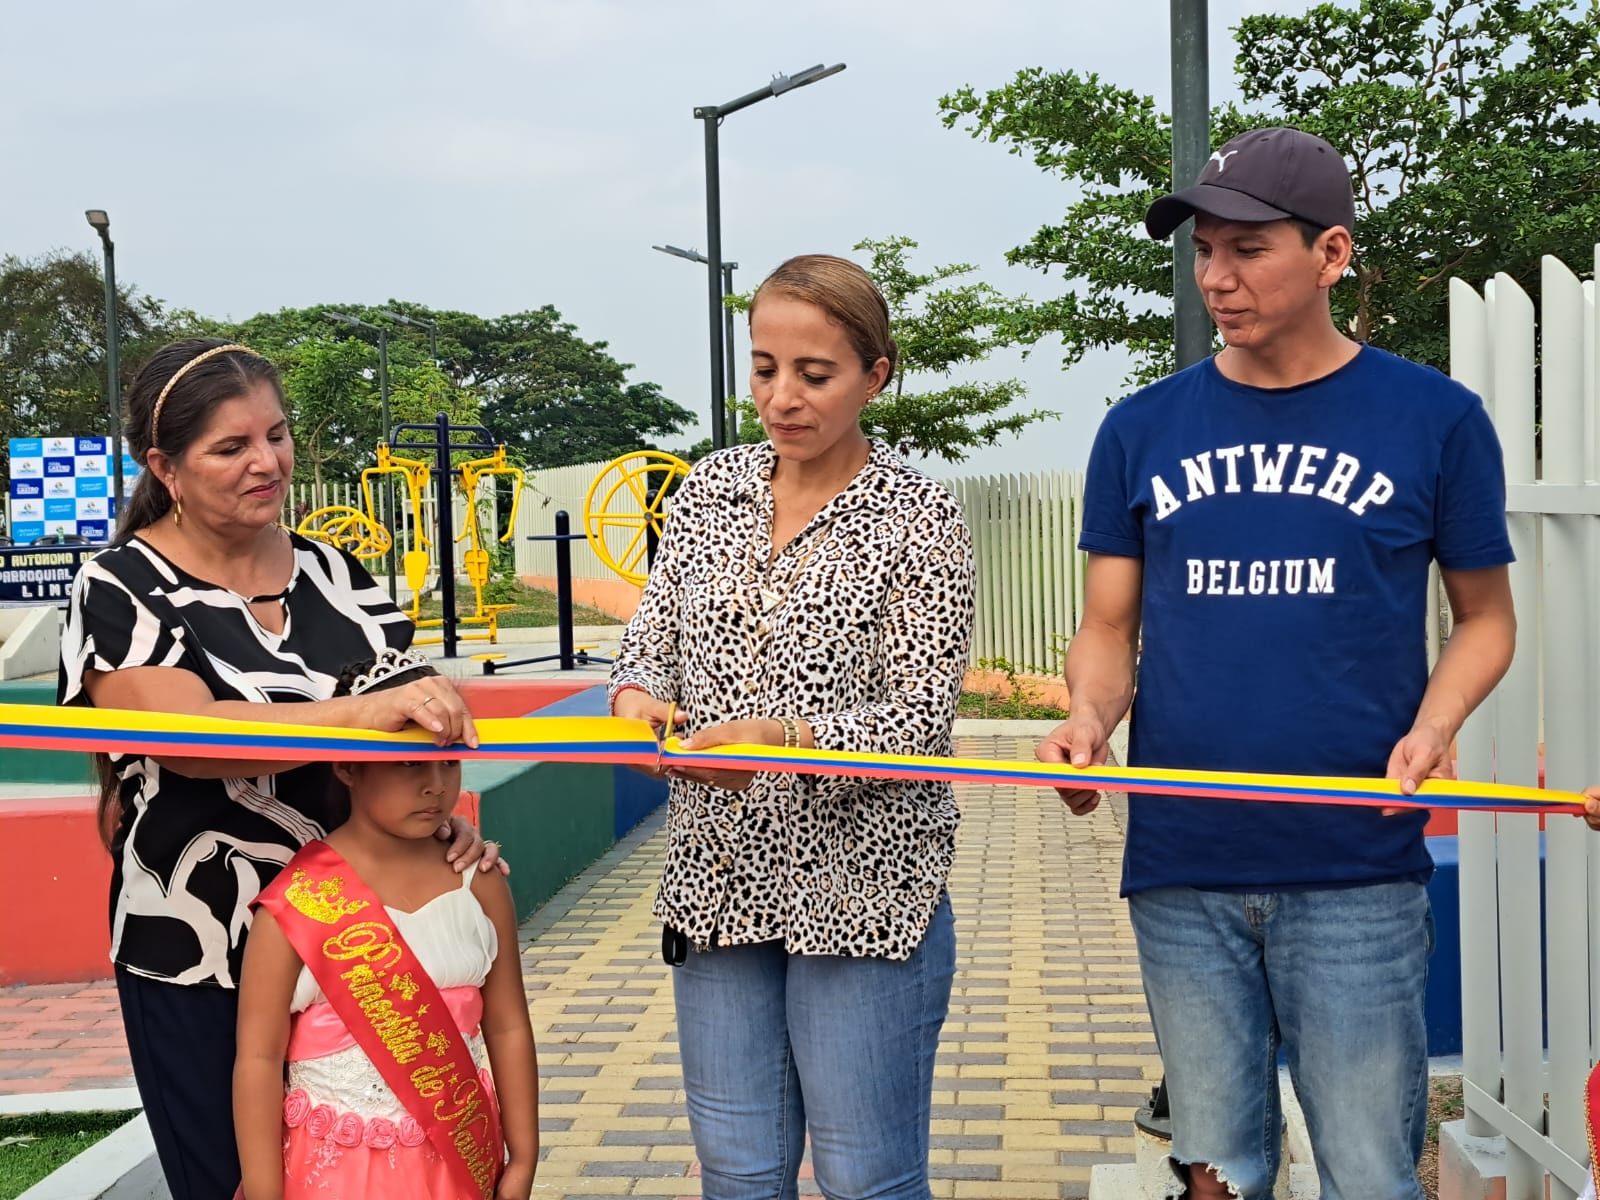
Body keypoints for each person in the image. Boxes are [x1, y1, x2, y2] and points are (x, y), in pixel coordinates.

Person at [1036, 128, 1516, 1199]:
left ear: (1331, 254)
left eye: (1248, 250)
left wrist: (1433, 727)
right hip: (1183, 860)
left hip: (1356, 864)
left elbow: (1486, 618)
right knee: (1217, 1173)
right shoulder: (1140, 429)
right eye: (1205, 251)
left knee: (1369, 1175)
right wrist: (1089, 718)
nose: (1216, 277)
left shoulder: (1435, 420)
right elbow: (1108, 627)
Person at [58, 338, 499, 1200]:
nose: (267, 463)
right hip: (202, 950)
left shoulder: (336, 574)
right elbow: (192, 740)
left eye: (277, 434)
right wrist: (358, 717)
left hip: (365, 946)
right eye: (231, 447)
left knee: (383, 1171)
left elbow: (412, 731)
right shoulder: (120, 586)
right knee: (234, 1180)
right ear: (165, 468)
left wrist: (443, 831)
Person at [608, 254, 975, 1200]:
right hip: (718, 876)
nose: (782, 398)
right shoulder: (708, 490)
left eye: (815, 374)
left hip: (865, 885)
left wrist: (784, 740)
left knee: (864, 1176)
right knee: (739, 1172)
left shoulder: (919, 515)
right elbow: (649, 645)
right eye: (765, 368)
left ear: (875, 376)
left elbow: (918, 719)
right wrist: (637, 705)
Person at [234, 650, 538, 1200]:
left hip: (459, 1165)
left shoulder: (480, 883)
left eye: (449, 761)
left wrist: (523, 1158)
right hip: (333, 1174)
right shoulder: (297, 902)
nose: (435, 785)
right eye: (408, 762)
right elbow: (258, 1059)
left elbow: (509, 1025)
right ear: (347, 765)